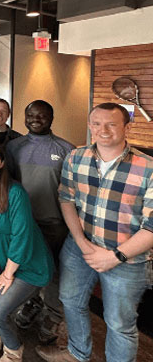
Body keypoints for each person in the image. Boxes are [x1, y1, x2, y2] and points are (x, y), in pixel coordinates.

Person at [36, 103, 153, 362]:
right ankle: (78, 353)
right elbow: (66, 199)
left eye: (112, 124)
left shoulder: (148, 167)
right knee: (70, 300)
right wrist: (80, 241)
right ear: (90, 126)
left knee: (120, 323)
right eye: (97, 123)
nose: (103, 130)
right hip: (80, 247)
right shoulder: (76, 157)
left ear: (127, 127)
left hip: (128, 258)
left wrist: (115, 256)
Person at [0, 141, 53, 362]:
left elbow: (21, 237)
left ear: (2, 164)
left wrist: (8, 273)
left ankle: (14, 349)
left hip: (27, 262)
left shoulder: (15, 193)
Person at [6, 100, 74, 344]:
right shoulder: (14, 147)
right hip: (25, 224)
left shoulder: (67, 149)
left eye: (42, 115)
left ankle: (53, 316)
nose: (36, 119)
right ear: (24, 117)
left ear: (51, 118)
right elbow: (8, 185)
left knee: (55, 272)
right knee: (30, 269)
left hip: (55, 224)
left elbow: (73, 191)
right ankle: (33, 303)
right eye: (31, 115)